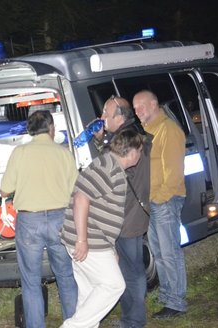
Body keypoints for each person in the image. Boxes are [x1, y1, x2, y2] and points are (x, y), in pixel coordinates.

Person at [0, 110, 78, 328]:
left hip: (29, 222)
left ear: (29, 130)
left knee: (31, 281)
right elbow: (76, 190)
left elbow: (5, 189)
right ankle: (74, 324)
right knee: (66, 276)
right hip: (60, 219)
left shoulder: (20, 153)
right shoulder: (64, 153)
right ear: (51, 128)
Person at [60, 128, 144, 328]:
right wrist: (82, 240)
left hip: (95, 241)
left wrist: (111, 248)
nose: (140, 155)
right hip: (88, 241)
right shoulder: (109, 167)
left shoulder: (110, 165)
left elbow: (100, 211)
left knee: (89, 294)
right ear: (132, 152)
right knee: (114, 285)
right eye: (140, 150)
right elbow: (81, 198)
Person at [93, 95, 152, 328]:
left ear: (120, 116)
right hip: (130, 214)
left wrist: (100, 143)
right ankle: (132, 317)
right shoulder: (131, 134)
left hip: (126, 215)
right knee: (129, 268)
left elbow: (113, 171)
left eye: (106, 114)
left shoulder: (126, 139)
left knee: (131, 271)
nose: (102, 118)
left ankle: (134, 321)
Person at [132, 90, 187, 319]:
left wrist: (160, 198)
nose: (138, 112)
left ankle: (176, 302)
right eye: (135, 109)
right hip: (152, 203)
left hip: (164, 201)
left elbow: (173, 173)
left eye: (141, 107)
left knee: (169, 252)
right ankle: (167, 296)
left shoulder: (169, 131)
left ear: (154, 104)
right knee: (159, 253)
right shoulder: (145, 132)